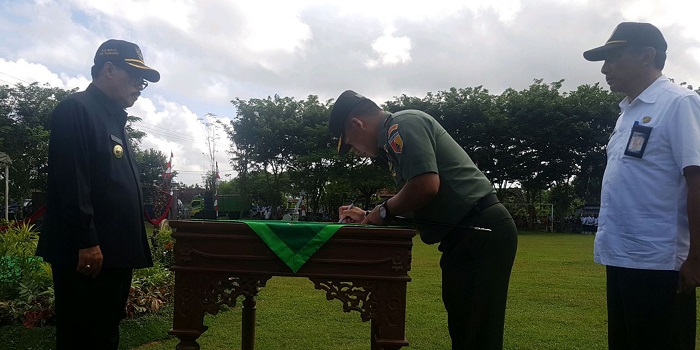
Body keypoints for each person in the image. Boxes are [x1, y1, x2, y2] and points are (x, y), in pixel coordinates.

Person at [329, 90, 518, 349]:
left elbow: (426, 185)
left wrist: (384, 211)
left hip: (479, 231)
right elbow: (419, 200)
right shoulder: (394, 139)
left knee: (476, 335)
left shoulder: (402, 124)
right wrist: (370, 215)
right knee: (466, 331)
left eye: (351, 143)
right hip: (467, 236)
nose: (358, 152)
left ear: (356, 124)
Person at [36, 39, 160, 350]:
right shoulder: (77, 110)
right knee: (82, 336)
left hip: (113, 253)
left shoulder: (113, 118)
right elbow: (72, 182)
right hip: (88, 255)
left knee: (105, 333)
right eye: (134, 77)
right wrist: (87, 241)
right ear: (108, 68)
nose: (139, 86)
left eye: (142, 81)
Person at [583, 22, 700, 350]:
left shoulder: (679, 103)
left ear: (647, 56)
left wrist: (696, 257)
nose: (605, 69)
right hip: (621, 257)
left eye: (613, 57)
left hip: (659, 263)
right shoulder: (626, 115)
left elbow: (697, 180)